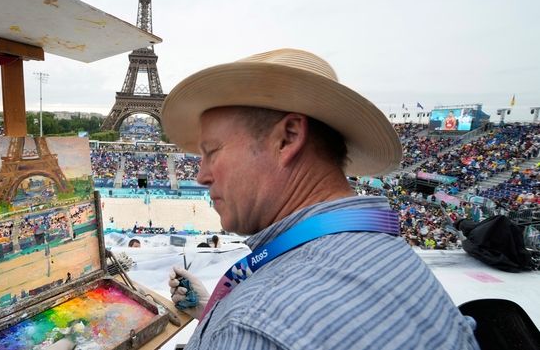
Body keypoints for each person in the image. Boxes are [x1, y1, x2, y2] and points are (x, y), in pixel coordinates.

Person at [162, 49, 478, 349]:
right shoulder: (389, 253)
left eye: (212, 151)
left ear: (287, 139)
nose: (201, 176)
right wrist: (213, 313)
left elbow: (270, 328)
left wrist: (232, 324)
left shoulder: (253, 325)